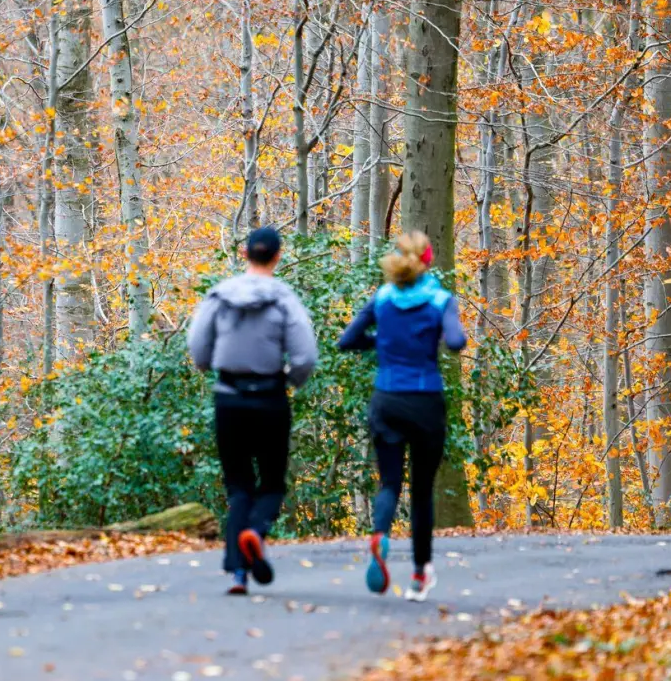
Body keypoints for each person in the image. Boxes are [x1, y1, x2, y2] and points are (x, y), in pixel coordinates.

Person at [337, 231, 467, 602]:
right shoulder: (440, 300)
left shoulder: (382, 298)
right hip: (425, 401)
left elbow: (346, 340)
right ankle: (419, 575)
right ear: (427, 262)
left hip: (387, 398)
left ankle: (380, 533)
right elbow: (456, 343)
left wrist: (381, 342)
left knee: (389, 484)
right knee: (422, 491)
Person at [187, 227, 317, 595]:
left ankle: (239, 574)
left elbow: (197, 345)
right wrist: (290, 379)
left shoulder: (219, 295)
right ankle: (256, 533)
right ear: (277, 256)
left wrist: (210, 367)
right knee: (272, 483)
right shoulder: (284, 299)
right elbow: (306, 354)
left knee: (238, 485)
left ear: (245, 253)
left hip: (228, 397)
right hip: (270, 399)